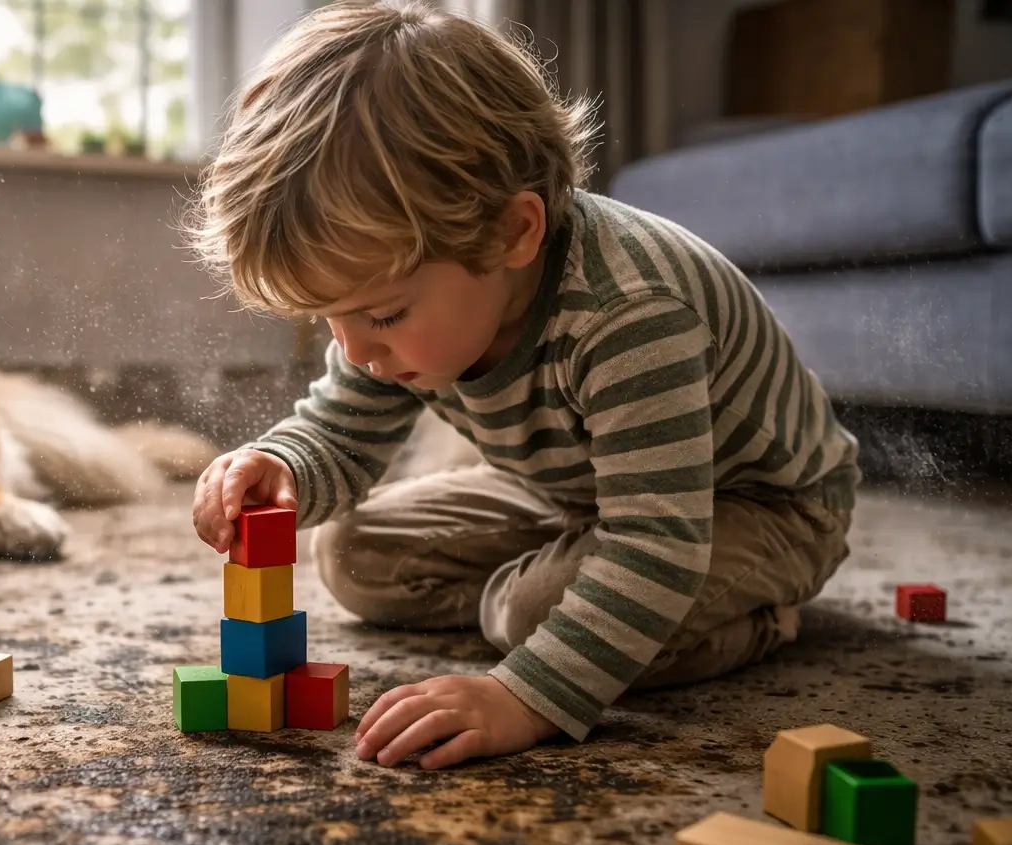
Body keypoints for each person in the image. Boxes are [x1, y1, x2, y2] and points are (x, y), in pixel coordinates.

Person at [185, 1, 860, 770]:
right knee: (353, 556)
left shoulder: (628, 313)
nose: (355, 349)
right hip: (583, 492)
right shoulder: (405, 317)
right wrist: (282, 466)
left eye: (382, 314)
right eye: (329, 317)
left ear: (514, 233)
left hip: (760, 507)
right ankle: (568, 581)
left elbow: (659, 538)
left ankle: (763, 614)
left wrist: (528, 695)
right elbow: (339, 434)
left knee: (534, 616)